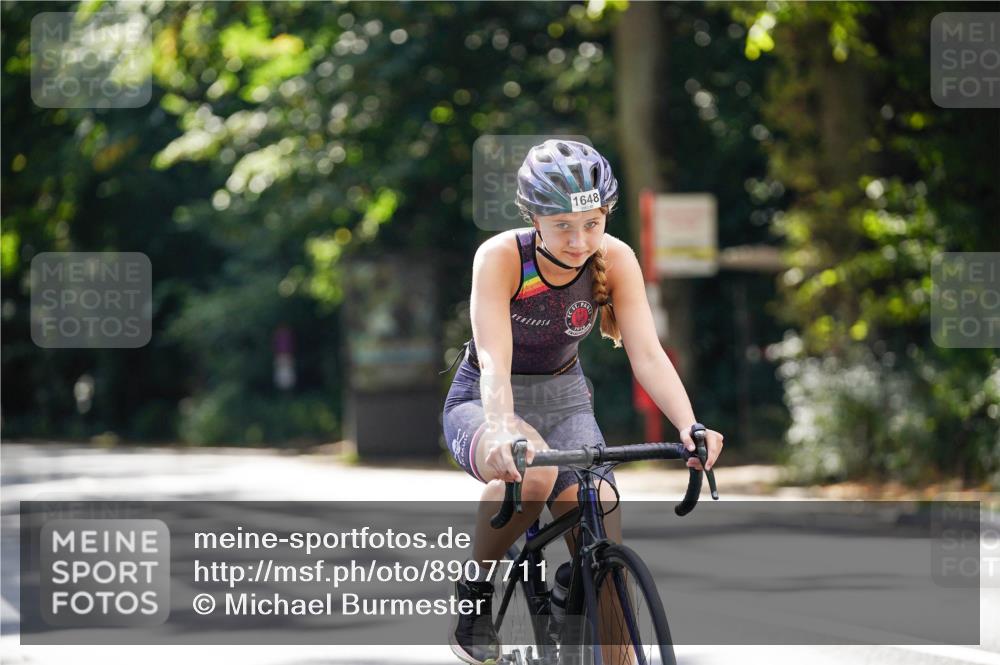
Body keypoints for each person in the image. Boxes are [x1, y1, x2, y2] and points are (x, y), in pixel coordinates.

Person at [442, 139, 725, 664]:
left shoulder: (616, 258)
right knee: (534, 476)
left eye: (592, 224)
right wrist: (502, 430)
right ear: (534, 219)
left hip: (565, 397)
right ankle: (476, 590)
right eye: (563, 226)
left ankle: (580, 592)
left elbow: (647, 354)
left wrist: (690, 426)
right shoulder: (502, 257)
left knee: (602, 526)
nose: (579, 241)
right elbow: (494, 360)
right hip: (486, 398)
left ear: (606, 215)